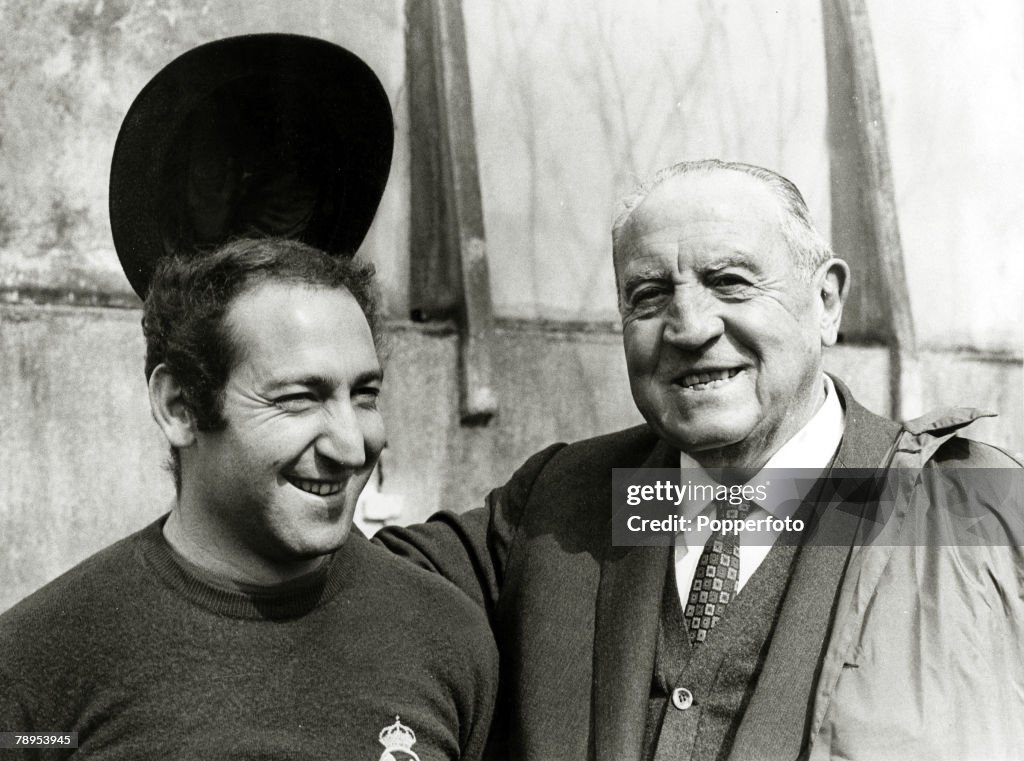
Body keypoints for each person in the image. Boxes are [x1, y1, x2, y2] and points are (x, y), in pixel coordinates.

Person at [377, 159, 1024, 761]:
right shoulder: (571, 503)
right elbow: (356, 588)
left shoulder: (965, 516)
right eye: (650, 295)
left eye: (730, 282)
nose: (689, 327)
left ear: (826, 301)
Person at [0, 238, 497, 760]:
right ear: (180, 407)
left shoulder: (445, 638)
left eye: (365, 395)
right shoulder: (38, 671)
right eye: (300, 398)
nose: (352, 447)